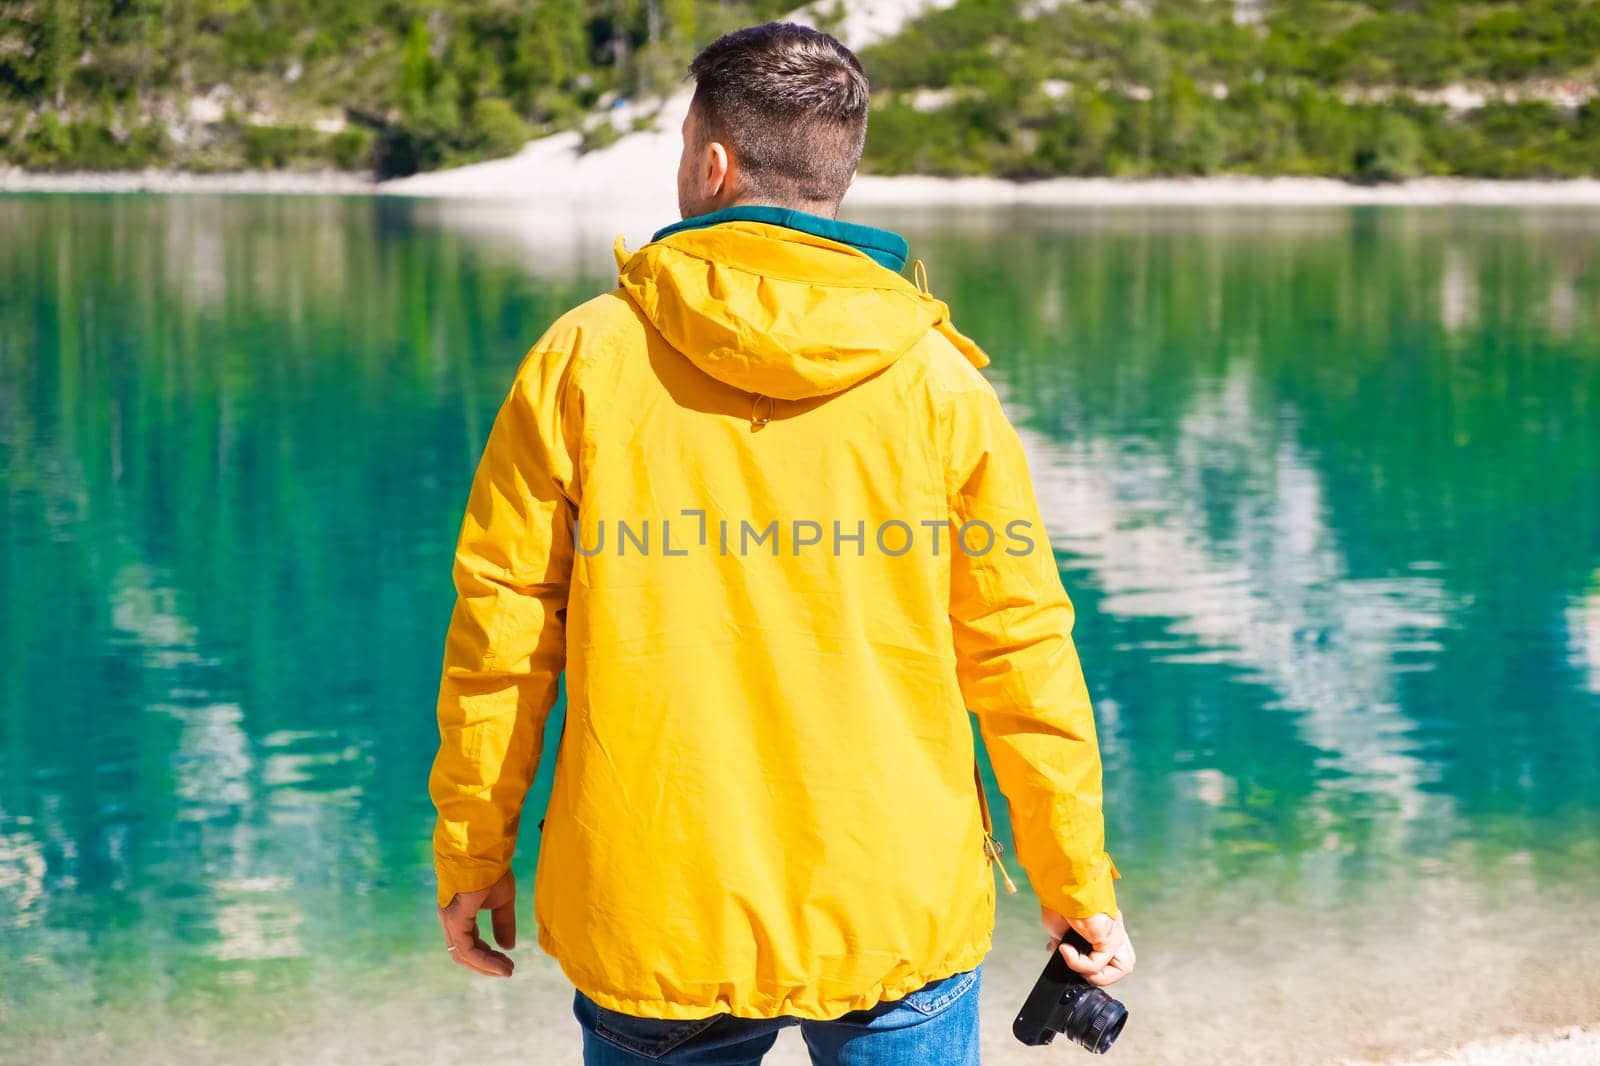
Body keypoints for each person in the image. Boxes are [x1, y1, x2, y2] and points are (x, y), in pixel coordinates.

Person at [428, 21, 1134, 1066]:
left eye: (680, 142)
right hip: (890, 895)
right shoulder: (938, 381)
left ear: (711, 164)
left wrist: (473, 851)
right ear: (834, 176)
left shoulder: (583, 358)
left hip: (654, 901)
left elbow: (503, 632)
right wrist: (1076, 883)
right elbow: (1020, 650)